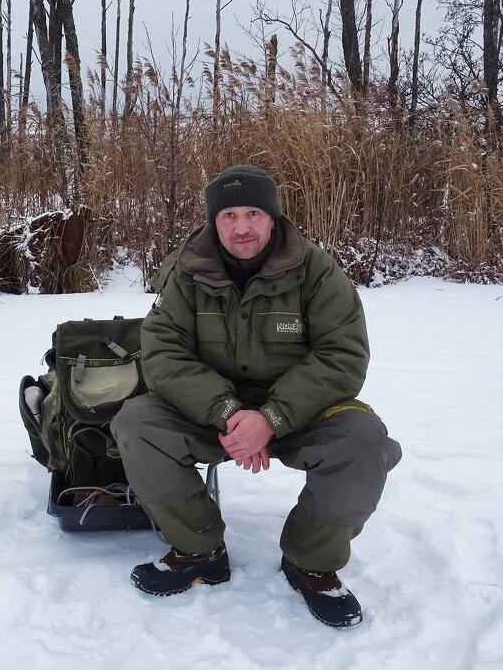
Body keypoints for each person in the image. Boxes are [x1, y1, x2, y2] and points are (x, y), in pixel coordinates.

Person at [110, 165, 401, 628]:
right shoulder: (187, 272)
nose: (241, 227)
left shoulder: (317, 271)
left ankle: (310, 560)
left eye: (252, 213)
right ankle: (198, 549)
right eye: (228, 215)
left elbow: (342, 355)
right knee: (137, 422)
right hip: (214, 412)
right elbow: (163, 354)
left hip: (301, 412)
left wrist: (272, 418)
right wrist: (227, 412)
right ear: (213, 222)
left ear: (273, 218)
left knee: (363, 441)